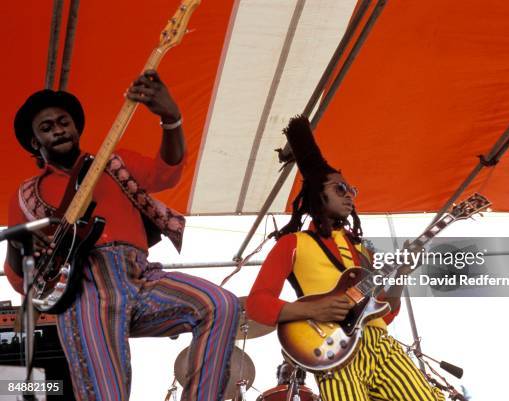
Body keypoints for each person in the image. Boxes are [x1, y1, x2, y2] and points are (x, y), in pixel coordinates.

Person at [4, 70, 240, 401]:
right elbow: (18, 279)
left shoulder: (115, 164)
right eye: (47, 127)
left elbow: (166, 173)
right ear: (35, 143)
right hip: (84, 293)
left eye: (63, 122)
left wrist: (171, 119)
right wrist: (18, 242)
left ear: (76, 128)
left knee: (221, 304)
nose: (58, 129)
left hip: (140, 276)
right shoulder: (27, 194)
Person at [246, 116, 445, 401]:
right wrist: (314, 310)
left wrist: (401, 275)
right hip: (333, 353)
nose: (350, 196)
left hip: (381, 346)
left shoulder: (363, 252)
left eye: (352, 190)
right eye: (340, 188)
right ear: (318, 194)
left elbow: (384, 314)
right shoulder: (293, 243)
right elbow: (257, 304)